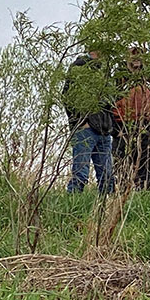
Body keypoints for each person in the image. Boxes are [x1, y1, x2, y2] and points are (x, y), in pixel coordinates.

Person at [111, 48, 150, 191]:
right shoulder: (118, 80)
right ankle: (120, 206)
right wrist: (116, 131)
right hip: (123, 131)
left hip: (145, 131)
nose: (136, 60)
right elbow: (108, 107)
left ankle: (146, 200)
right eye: (133, 56)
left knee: (147, 174)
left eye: (139, 56)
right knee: (122, 175)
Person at [62, 49, 115, 194]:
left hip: (104, 129)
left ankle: (105, 210)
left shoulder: (105, 70)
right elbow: (67, 97)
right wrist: (81, 121)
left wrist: (110, 124)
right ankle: (73, 207)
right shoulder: (79, 67)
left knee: (107, 176)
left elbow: (111, 100)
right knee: (81, 173)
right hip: (85, 129)